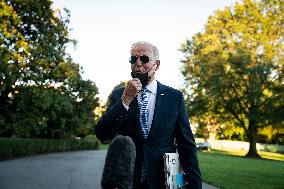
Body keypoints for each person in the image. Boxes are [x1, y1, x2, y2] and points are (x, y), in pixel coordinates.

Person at [95, 41, 202, 189]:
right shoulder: (119, 95)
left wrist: (195, 185)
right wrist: (126, 99)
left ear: (156, 65)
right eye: (134, 59)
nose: (138, 63)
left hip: (166, 180)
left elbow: (186, 145)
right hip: (128, 179)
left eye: (144, 59)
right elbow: (102, 134)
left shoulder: (174, 97)